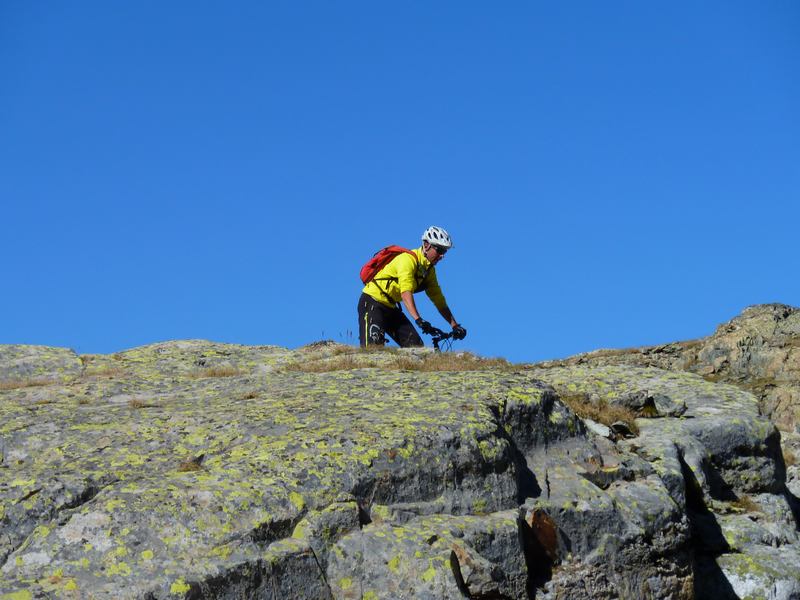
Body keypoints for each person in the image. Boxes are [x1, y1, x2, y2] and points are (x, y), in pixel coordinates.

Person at [358, 226, 467, 348]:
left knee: (416, 347)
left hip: (391, 307)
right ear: (426, 245)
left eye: (444, 252)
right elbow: (406, 292)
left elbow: (439, 300)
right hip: (372, 302)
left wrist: (455, 325)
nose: (442, 256)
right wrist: (418, 320)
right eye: (440, 250)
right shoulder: (407, 260)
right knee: (372, 348)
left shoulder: (429, 271)